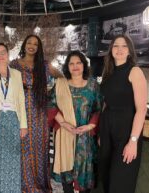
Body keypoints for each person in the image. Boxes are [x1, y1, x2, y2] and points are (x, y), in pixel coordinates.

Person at [10, 34, 59, 193]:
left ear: (39, 48)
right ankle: (24, 184)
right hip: (20, 111)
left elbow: (62, 77)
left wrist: (53, 94)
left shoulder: (44, 65)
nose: (32, 46)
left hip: (39, 112)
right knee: (23, 147)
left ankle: (39, 184)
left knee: (39, 147)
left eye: (35, 44)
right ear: (24, 45)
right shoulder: (14, 65)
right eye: (29, 43)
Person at [99, 35, 147, 193]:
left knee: (119, 184)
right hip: (107, 132)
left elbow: (141, 109)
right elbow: (106, 103)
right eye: (116, 46)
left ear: (129, 51)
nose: (119, 49)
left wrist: (133, 141)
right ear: (111, 50)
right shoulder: (108, 74)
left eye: (124, 46)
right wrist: (102, 133)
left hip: (126, 133)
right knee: (107, 181)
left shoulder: (135, 71)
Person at [52, 50, 102, 193]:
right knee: (67, 179)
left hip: (86, 139)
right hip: (66, 136)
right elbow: (50, 105)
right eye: (71, 63)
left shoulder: (93, 86)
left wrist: (90, 126)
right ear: (67, 67)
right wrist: (63, 123)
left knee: (85, 180)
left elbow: (99, 109)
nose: (75, 66)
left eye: (78, 62)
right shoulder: (61, 84)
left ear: (84, 65)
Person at [0, 42, 28, 193]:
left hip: (13, 120)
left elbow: (21, 100)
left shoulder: (16, 74)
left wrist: (23, 124)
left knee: (13, 160)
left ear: (8, 55)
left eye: (3, 52)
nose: (0, 55)